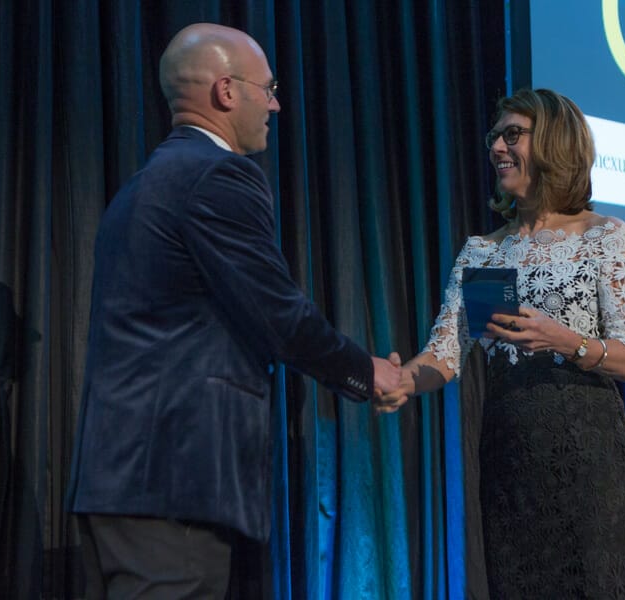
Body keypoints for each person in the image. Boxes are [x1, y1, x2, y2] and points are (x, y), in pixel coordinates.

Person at [65, 23, 403, 598]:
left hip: (129, 478)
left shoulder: (145, 184)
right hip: (174, 481)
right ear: (226, 91)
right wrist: (365, 370)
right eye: (267, 89)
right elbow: (278, 314)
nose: (275, 105)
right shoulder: (216, 175)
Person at [379, 89, 625, 597]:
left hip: (589, 456)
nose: (497, 148)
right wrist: (402, 380)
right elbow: (446, 353)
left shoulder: (603, 236)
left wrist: (563, 340)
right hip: (511, 458)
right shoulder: (484, 252)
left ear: (553, 143)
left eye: (512, 135)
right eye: (495, 137)